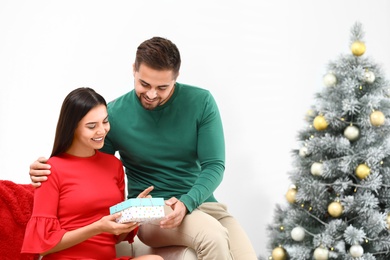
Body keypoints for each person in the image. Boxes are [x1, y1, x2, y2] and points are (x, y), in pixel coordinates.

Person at [29, 37, 257, 259]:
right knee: (213, 237)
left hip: (202, 202)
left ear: (176, 79)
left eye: (162, 87)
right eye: (144, 84)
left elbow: (214, 165)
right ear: (134, 70)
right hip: (149, 208)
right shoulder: (113, 115)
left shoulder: (201, 102)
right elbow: (90, 165)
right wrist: (49, 164)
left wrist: (187, 203)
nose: (151, 94)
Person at [22, 87, 163, 260]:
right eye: (91, 126)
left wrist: (132, 212)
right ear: (72, 127)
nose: (102, 130)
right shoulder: (49, 170)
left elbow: (115, 237)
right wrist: (97, 227)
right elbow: (43, 247)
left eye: (105, 121)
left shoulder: (114, 165)